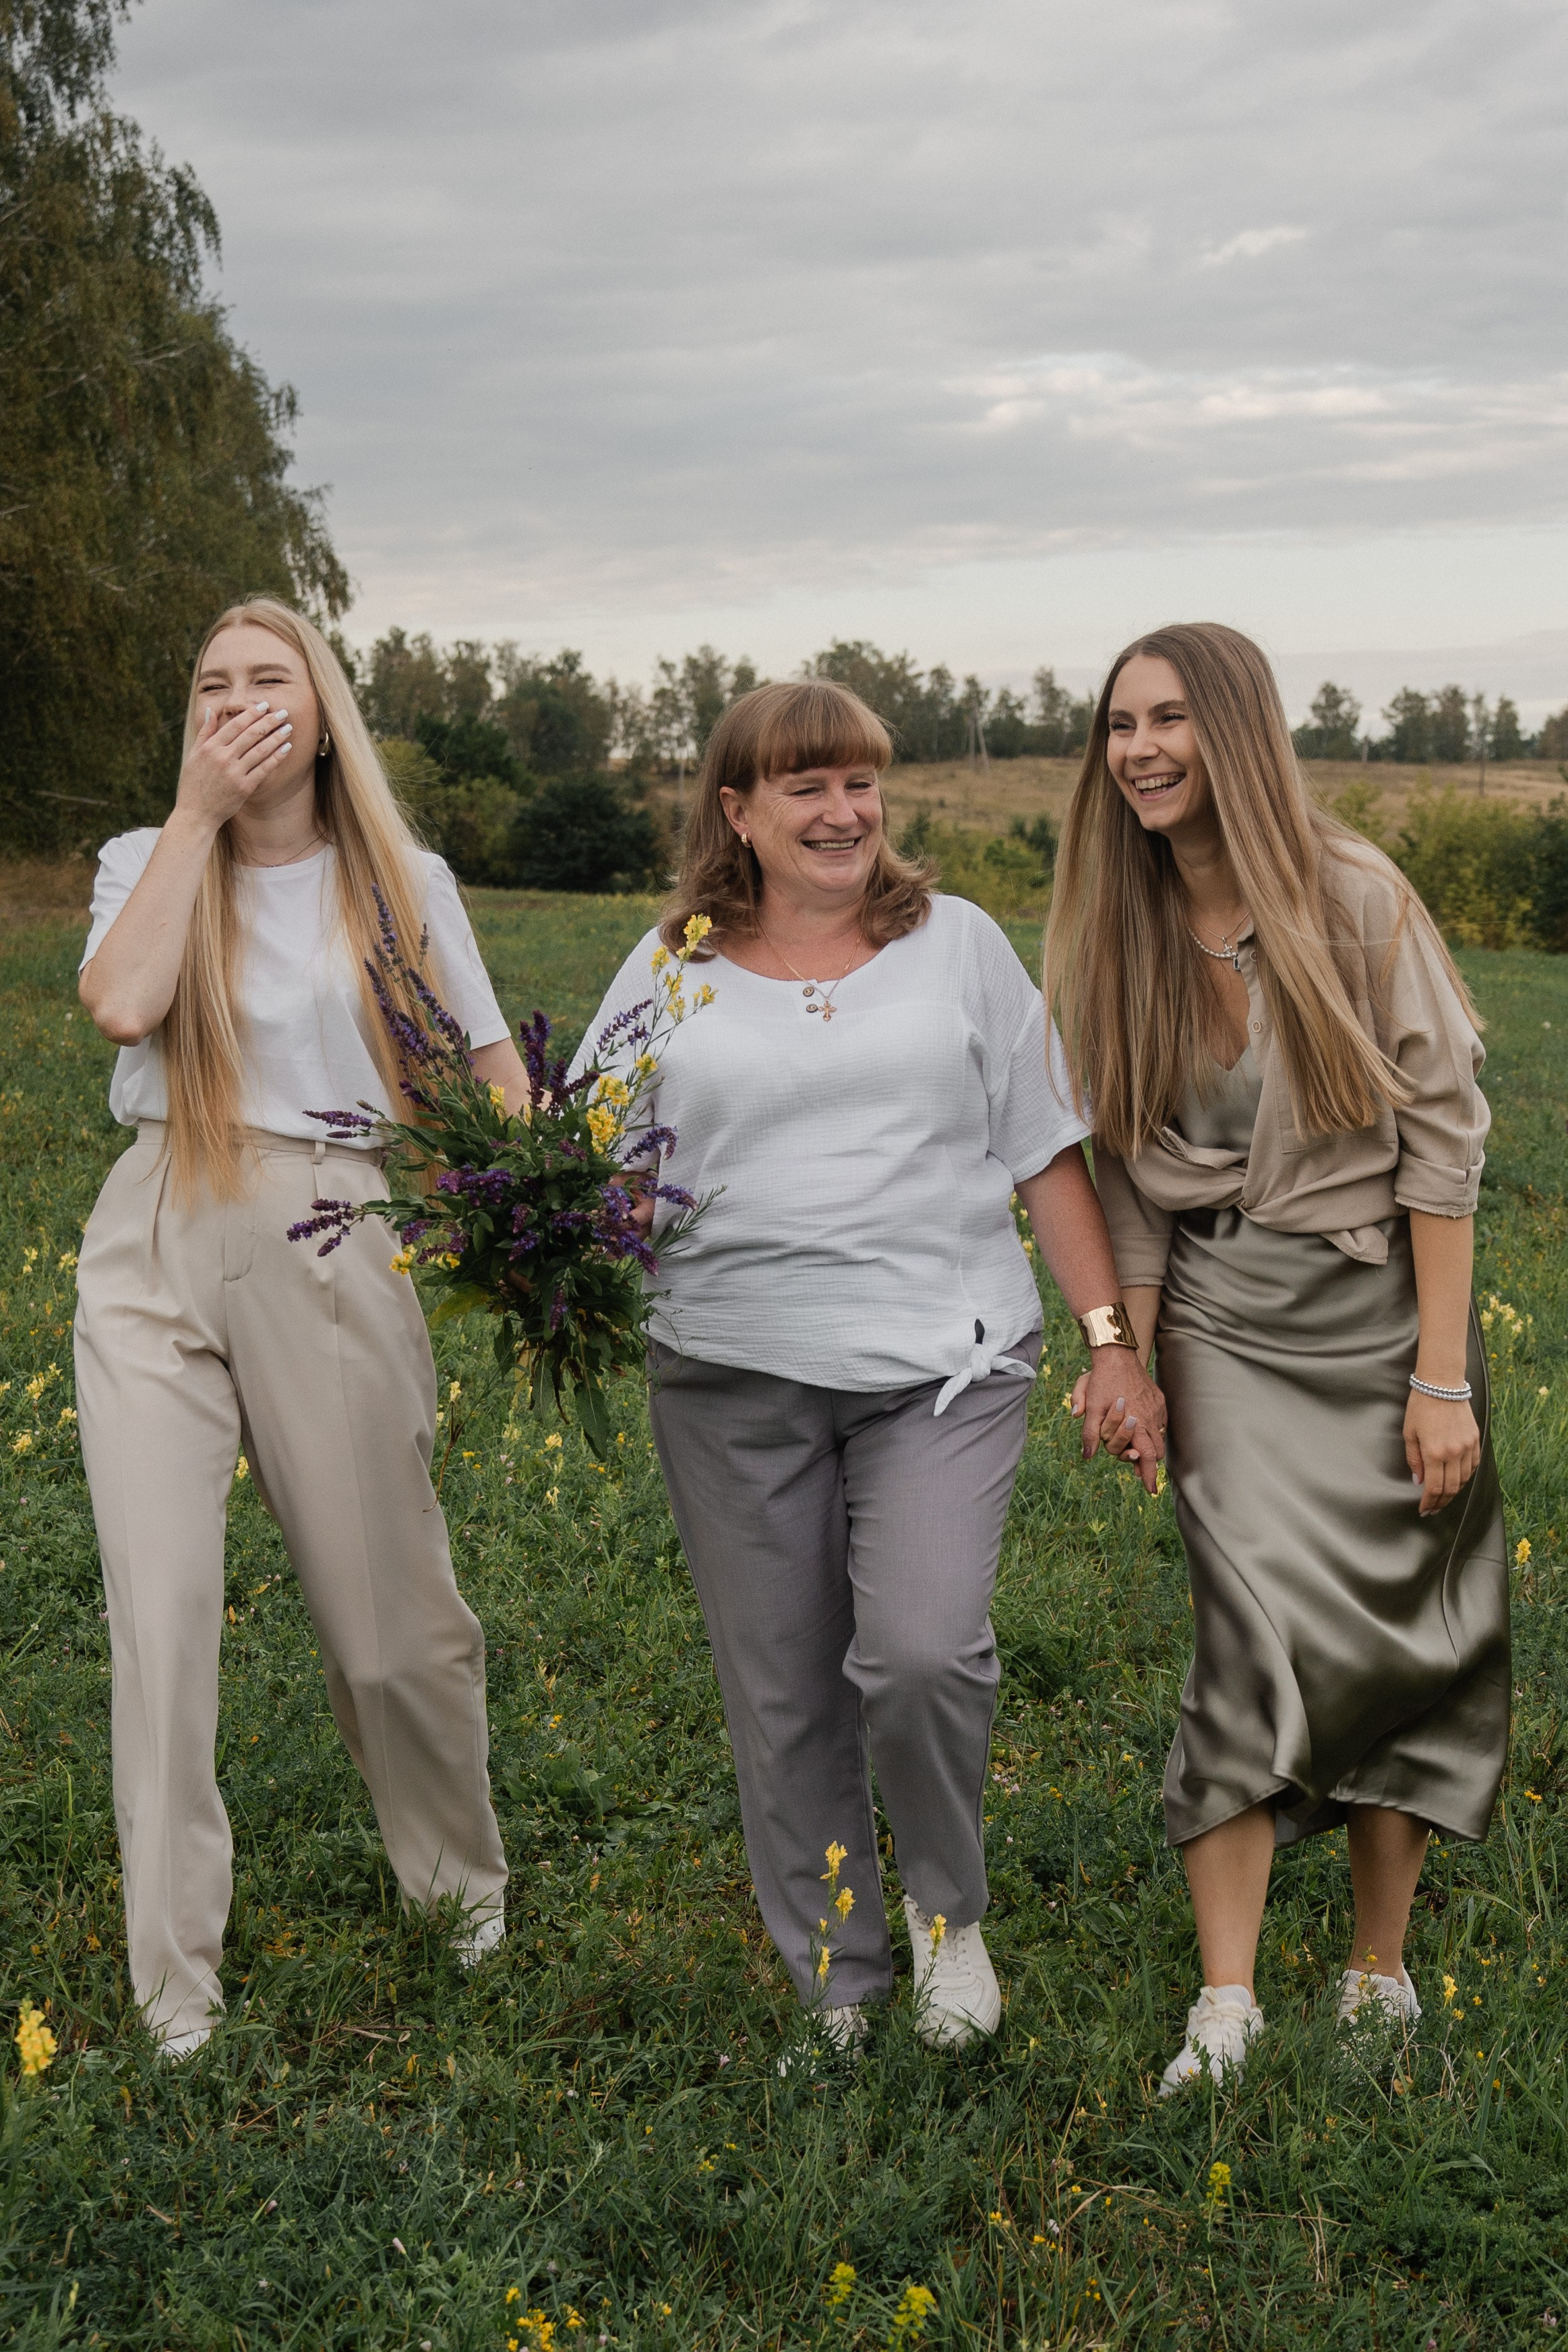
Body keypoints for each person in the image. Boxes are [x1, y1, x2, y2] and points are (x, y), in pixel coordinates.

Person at [573, 679, 1165, 2054]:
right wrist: (574, 1237)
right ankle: (837, 1973)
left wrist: (1109, 1344)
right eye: (807, 787)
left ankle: (947, 1912)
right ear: (738, 810)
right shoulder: (670, 961)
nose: (843, 811)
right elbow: (592, 1157)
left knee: (918, 1651)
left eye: (860, 782)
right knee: (783, 1689)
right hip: (729, 1372)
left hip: (938, 1365)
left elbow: (1043, 1149)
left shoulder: (955, 943)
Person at [1046, 622, 1507, 2092]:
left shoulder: (1353, 895)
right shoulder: (1112, 923)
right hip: (1225, 1323)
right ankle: (1226, 1999)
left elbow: (1443, 1142)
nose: (1139, 750)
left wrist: (1441, 1377)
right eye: (1119, 724)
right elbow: (1125, 1175)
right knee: (1243, 1637)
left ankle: (1378, 1968)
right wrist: (1128, 1358)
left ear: (1236, 732)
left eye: (1169, 718)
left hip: (1382, 1320)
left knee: (1399, 1637)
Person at [75, 596, 524, 2058]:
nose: (238, 700)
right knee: (159, 1621)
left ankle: (457, 1888)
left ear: (323, 711)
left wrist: (541, 1215)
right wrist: (196, 815)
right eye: (212, 683)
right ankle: (174, 1989)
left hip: (331, 1219)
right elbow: (122, 1003)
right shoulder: (148, 859)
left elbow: (489, 1071)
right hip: (155, 1223)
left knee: (388, 1622)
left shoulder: (399, 879)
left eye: (269, 677)